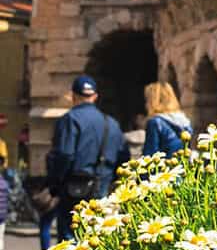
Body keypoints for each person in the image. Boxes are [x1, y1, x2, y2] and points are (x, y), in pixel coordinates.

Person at [46, 75, 128, 241]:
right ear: (95, 97)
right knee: (98, 236)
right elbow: (123, 157)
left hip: (74, 187)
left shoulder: (70, 119)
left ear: (73, 96)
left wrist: (54, 184)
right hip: (103, 186)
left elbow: (65, 154)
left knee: (71, 236)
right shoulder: (111, 123)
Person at [142, 82, 193, 156]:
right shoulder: (185, 122)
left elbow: (150, 154)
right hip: (183, 166)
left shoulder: (155, 122)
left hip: (165, 165)